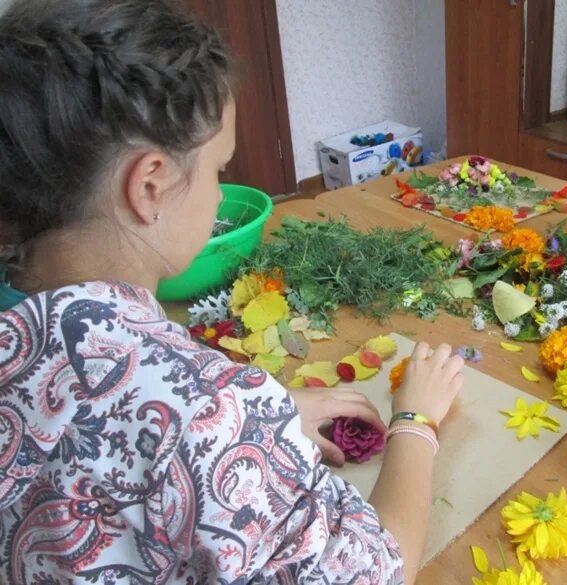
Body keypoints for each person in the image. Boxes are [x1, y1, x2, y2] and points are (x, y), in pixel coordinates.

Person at [0, 1, 465, 583]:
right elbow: (380, 569)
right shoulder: (211, 415)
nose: (220, 195)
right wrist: (416, 421)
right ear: (149, 186)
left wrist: (264, 415)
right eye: (218, 169)